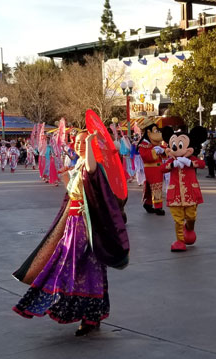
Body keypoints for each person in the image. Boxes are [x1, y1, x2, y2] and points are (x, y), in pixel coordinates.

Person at [13, 130, 129, 336]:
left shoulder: (90, 164)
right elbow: (74, 195)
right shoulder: (77, 164)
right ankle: (82, 312)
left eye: (84, 141)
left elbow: (92, 173)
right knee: (68, 267)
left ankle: (90, 316)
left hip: (87, 228)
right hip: (73, 225)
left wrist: (92, 142)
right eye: (78, 141)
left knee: (86, 270)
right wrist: (67, 179)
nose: (80, 144)